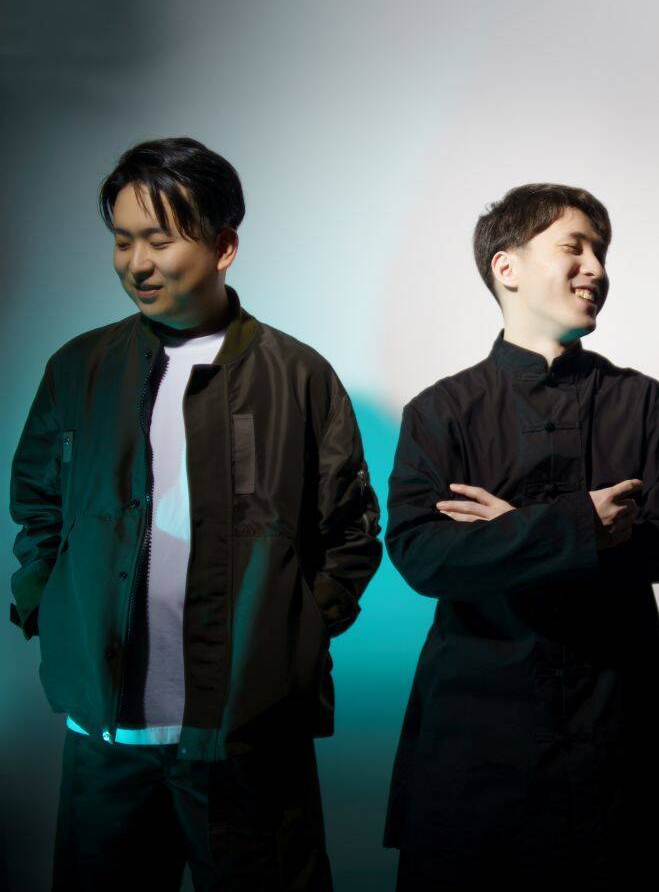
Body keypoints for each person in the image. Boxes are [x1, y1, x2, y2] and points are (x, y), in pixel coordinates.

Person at [10, 137, 382, 890]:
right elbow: (38, 506)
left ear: (223, 246)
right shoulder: (79, 368)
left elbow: (349, 529)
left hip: (248, 736)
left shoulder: (297, 375)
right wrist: (45, 601)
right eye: (122, 241)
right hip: (107, 738)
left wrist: (299, 631)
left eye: (159, 240)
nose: (137, 264)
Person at [385, 183, 659, 891]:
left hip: (619, 733)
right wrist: (580, 526)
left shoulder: (649, 407)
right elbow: (422, 555)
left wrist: (510, 532)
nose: (596, 267)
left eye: (602, 252)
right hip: (475, 740)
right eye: (575, 246)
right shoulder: (441, 412)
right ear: (506, 267)